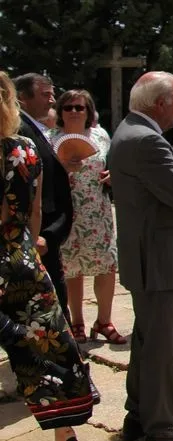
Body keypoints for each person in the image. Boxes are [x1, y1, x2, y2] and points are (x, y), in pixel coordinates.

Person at [109, 71, 173, 441]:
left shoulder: (129, 131)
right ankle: (163, 427)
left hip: (146, 257)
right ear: (161, 103)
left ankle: (138, 417)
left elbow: (166, 190)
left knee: (147, 341)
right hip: (160, 261)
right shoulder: (148, 141)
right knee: (162, 347)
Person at [1, 71, 95, 441]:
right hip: (23, 258)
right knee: (49, 346)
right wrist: (30, 246)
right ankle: (64, 431)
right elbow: (35, 212)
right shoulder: (25, 148)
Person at [50, 90, 125, 345]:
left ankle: (104, 321)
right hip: (66, 211)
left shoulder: (101, 136)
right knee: (72, 268)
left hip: (97, 211)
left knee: (106, 266)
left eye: (79, 107)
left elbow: (113, 165)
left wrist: (113, 175)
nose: (74, 111)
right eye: (68, 107)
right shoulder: (50, 138)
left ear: (88, 111)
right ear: (60, 111)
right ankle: (77, 321)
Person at [14, 73, 73, 319]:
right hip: (37, 236)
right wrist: (36, 235)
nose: (52, 100)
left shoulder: (34, 127)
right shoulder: (20, 130)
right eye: (45, 94)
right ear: (23, 98)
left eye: (52, 93)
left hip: (47, 234)